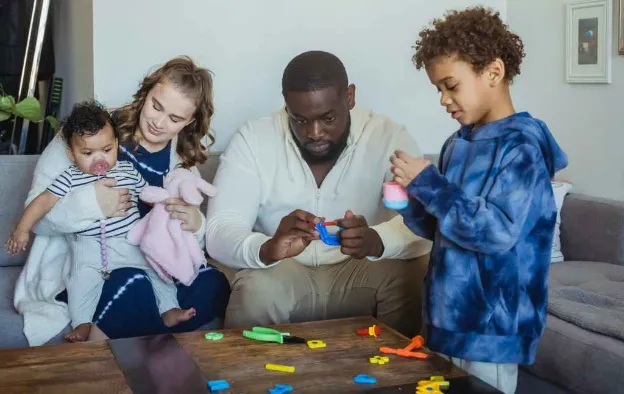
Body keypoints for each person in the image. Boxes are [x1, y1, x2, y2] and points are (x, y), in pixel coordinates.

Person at [390, 7, 568, 394]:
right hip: (447, 317)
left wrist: (431, 185)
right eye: (437, 89)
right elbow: (442, 230)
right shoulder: (457, 144)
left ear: (493, 72)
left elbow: (496, 233)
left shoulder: (521, 148)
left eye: (451, 86)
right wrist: (409, 199)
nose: (443, 100)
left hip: (493, 328)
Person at [205, 50, 431, 336]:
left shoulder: (388, 139)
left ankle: (401, 377)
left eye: (327, 118)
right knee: (255, 287)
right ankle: (246, 380)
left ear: (349, 97)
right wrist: (267, 248)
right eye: (299, 120)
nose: (314, 133)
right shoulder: (253, 140)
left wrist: (377, 240)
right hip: (283, 272)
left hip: (361, 271)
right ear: (286, 104)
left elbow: (424, 223)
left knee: (411, 274)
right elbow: (220, 230)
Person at [13, 56, 230, 346]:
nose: (158, 122)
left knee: (214, 284)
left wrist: (196, 223)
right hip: (88, 266)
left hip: (150, 262)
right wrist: (92, 204)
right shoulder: (89, 133)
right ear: (147, 92)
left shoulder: (182, 161)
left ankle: (137, 332)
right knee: (133, 284)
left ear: (189, 121)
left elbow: (189, 244)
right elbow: (37, 219)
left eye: (175, 119)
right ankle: (148, 345)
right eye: (156, 105)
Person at [7, 101, 195, 341]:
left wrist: (167, 207)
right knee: (79, 284)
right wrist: (22, 229)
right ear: (71, 154)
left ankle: (168, 309)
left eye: (106, 150)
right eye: (87, 153)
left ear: (116, 143)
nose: (100, 159)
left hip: (130, 243)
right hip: (88, 246)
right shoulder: (70, 177)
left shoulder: (126, 170)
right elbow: (44, 201)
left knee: (157, 270)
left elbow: (148, 194)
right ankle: (83, 322)